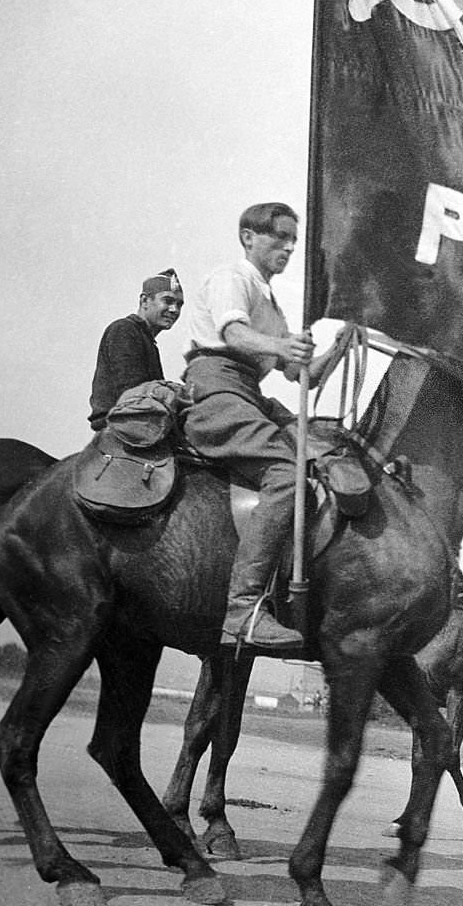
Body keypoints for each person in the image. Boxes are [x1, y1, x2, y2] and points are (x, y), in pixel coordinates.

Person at [182, 202, 333, 655]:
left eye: (293, 240)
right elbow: (235, 336)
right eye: (279, 237)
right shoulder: (234, 277)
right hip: (215, 386)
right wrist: (283, 345)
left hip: (250, 392)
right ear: (249, 237)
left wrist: (334, 348)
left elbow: (297, 374)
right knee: (287, 473)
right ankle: (243, 609)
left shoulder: (272, 303)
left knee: (324, 447)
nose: (288, 246)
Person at [88, 269, 185, 430]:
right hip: (122, 426)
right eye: (168, 301)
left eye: (179, 304)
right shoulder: (124, 329)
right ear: (145, 301)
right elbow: (133, 391)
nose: (174, 309)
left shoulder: (146, 339)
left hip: (140, 422)